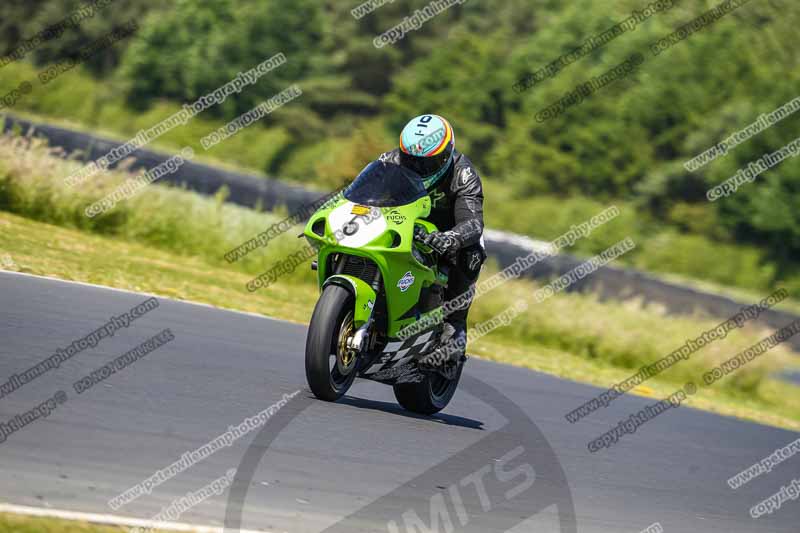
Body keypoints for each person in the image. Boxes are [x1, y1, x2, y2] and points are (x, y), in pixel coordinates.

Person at [376, 114, 486, 378]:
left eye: (427, 162)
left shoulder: (463, 174)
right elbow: (361, 196)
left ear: (446, 154)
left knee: (470, 253)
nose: (418, 167)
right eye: (411, 160)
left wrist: (451, 238)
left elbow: (473, 223)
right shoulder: (389, 161)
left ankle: (453, 326)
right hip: (405, 226)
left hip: (449, 234)